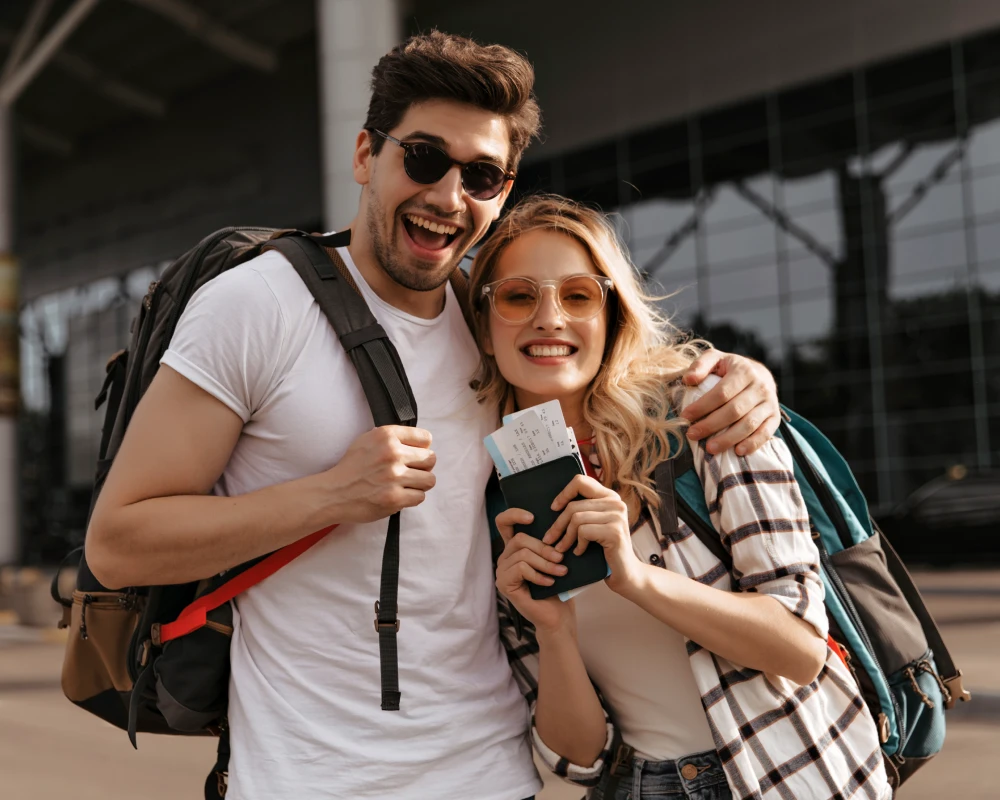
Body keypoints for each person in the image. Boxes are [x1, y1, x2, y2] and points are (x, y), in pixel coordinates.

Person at [85, 32, 782, 800]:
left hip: (489, 773)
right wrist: (330, 494)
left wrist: (739, 376)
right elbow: (118, 544)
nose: (450, 196)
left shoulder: (493, 321)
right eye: (423, 158)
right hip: (306, 777)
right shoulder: (256, 305)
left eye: (481, 175)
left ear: (503, 192)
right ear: (365, 155)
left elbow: (615, 369)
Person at [473, 195, 891, 800]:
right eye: (517, 296)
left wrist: (635, 578)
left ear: (611, 315)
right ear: (485, 329)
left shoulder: (704, 417)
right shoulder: (490, 494)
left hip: (785, 776)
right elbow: (579, 759)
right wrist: (554, 630)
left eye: (578, 295)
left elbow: (801, 648)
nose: (549, 318)